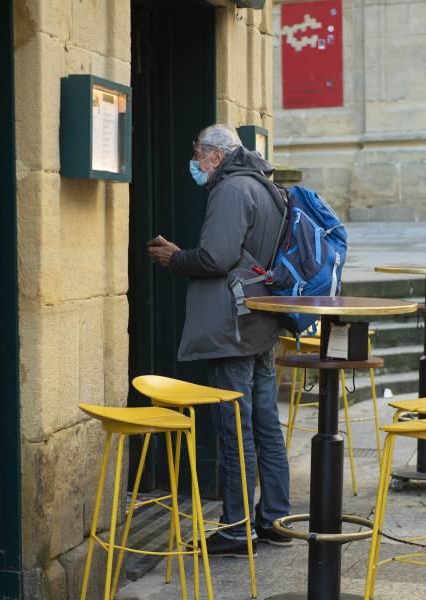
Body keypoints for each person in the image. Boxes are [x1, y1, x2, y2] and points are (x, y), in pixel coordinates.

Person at [147, 124, 291, 555]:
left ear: (214, 155)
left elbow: (216, 257)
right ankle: (275, 518)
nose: (193, 162)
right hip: (262, 318)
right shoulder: (267, 186)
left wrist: (175, 258)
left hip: (235, 325)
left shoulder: (230, 189)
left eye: (196, 154)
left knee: (235, 426)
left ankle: (236, 527)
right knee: (265, 422)